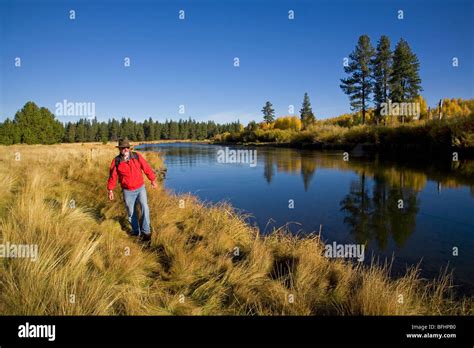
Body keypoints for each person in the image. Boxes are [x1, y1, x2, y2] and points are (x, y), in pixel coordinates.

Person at [107, 138, 157, 240]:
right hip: (127, 191)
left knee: (144, 207)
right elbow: (112, 176)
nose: (125, 149)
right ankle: (135, 231)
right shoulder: (116, 161)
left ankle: (146, 232)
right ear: (119, 149)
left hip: (140, 188)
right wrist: (110, 190)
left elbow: (146, 167)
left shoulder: (136, 156)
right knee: (131, 212)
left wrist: (152, 180)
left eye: (127, 147)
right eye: (123, 148)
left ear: (129, 148)